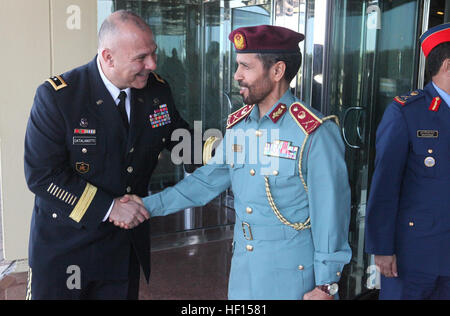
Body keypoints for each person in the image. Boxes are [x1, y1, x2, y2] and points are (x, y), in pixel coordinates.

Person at [123, 25, 352, 300]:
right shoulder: (240, 126)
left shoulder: (314, 133)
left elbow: (331, 214)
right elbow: (205, 182)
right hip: (244, 268)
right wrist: (145, 205)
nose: (237, 76)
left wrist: (326, 284)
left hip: (296, 277)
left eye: (246, 67)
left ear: (277, 71)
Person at [23, 10, 191, 299]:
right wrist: (109, 207)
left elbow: (180, 140)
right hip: (66, 247)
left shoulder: (156, 91)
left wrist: (228, 152)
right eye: (140, 58)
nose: (151, 64)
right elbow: (42, 176)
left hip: (123, 248)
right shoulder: (59, 97)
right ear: (108, 57)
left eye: (153, 53)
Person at [365, 22, 450, 300]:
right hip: (413, 257)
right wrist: (382, 248)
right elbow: (385, 184)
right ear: (448, 65)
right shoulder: (406, 113)